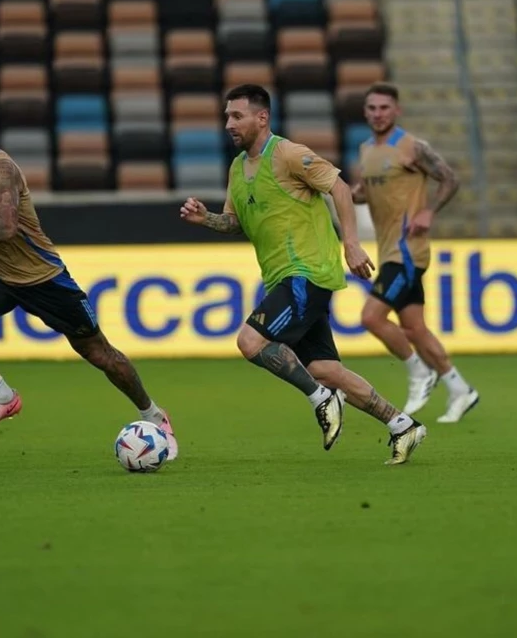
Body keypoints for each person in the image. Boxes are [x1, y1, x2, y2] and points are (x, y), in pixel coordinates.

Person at [180, 84, 426, 465]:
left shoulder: (290, 154)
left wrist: (351, 243)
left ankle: (320, 399)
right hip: (282, 277)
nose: (228, 123)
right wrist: (206, 219)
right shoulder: (237, 168)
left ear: (262, 118)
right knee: (324, 368)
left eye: (237, 116)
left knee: (250, 342)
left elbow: (340, 189)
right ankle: (402, 425)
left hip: (307, 272)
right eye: (227, 116)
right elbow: (234, 222)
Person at [0, 111, 177, 458]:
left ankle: (153, 414)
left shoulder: (0, 170)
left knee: (100, 353)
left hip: (42, 276)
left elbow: (5, 227)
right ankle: (1, 396)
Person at [351, 82, 479, 423]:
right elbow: (366, 194)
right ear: (365, 112)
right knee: (415, 329)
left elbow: (449, 178)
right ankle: (460, 389)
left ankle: (419, 372)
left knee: (371, 317)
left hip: (407, 251)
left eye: (384, 108)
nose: (378, 114)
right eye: (372, 108)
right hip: (388, 248)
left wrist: (429, 211)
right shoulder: (365, 151)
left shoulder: (411, 147)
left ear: (397, 111)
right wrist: (344, 195)